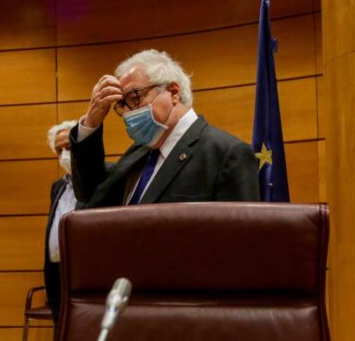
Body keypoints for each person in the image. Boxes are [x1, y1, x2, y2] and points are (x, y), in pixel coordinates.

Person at [69, 49, 259, 207]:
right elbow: (90, 193)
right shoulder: (139, 152)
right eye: (122, 105)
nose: (127, 112)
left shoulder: (226, 154)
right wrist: (91, 124)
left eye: (135, 98)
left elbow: (240, 241)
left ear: (173, 92)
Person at [43, 120, 83, 324]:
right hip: (58, 272)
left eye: (69, 147)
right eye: (59, 150)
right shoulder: (58, 186)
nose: (65, 154)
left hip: (85, 271)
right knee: (62, 329)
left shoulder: (105, 176)